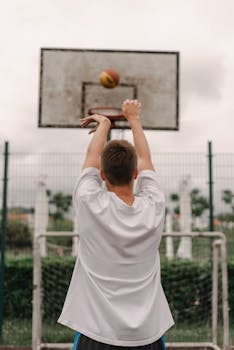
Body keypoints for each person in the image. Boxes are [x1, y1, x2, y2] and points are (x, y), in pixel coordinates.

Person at [58, 99, 174, 349]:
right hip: (148, 337)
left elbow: (91, 156)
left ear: (101, 175)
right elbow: (144, 157)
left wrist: (104, 124)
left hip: (96, 334)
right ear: (135, 174)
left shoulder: (89, 201)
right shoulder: (154, 205)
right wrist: (133, 118)